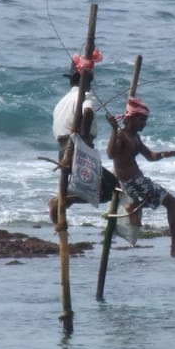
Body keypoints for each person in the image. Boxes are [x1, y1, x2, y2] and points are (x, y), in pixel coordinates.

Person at [106, 96, 175, 257]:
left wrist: (164, 154)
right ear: (132, 118)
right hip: (133, 183)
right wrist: (113, 129)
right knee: (172, 203)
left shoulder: (135, 138)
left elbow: (150, 156)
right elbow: (111, 154)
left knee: (167, 201)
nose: (144, 124)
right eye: (142, 120)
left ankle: (135, 205)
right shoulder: (121, 136)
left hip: (139, 182)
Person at [48, 52, 118, 224]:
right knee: (111, 189)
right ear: (86, 79)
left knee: (104, 185)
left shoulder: (62, 102)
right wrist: (85, 138)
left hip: (63, 150)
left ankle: (65, 200)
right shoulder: (86, 96)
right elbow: (87, 112)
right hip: (78, 149)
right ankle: (63, 200)